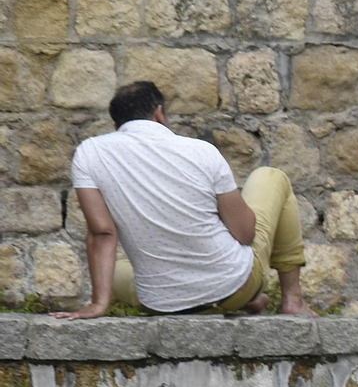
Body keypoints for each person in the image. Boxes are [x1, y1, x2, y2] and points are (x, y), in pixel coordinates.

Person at [53, 81, 312, 319]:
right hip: (236, 286)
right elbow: (244, 234)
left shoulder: (89, 153)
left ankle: (239, 302)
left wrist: (99, 304)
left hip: (163, 303)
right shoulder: (201, 151)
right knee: (271, 176)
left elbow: (102, 233)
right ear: (159, 113)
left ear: (116, 125)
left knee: (119, 271)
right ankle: (293, 300)